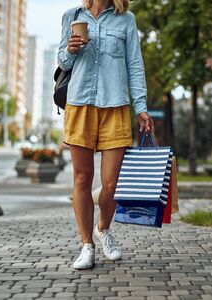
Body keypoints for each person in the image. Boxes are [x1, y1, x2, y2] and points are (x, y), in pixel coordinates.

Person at [57, 0, 154, 270]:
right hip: (80, 105)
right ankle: (86, 244)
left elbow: (135, 65)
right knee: (82, 178)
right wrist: (70, 49)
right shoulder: (71, 16)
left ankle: (104, 228)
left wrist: (141, 108)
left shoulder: (127, 19)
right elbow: (62, 61)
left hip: (115, 106)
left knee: (112, 183)